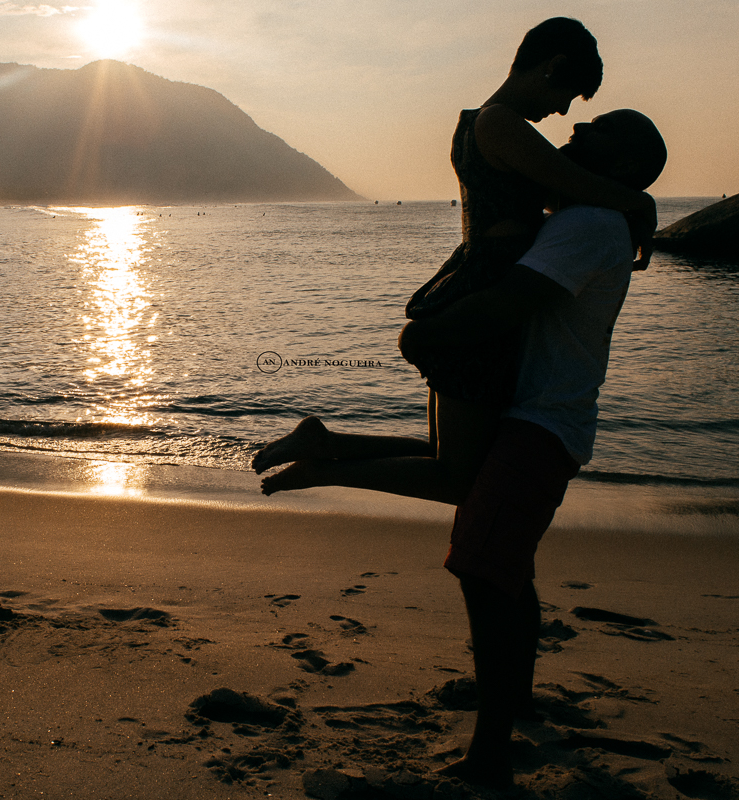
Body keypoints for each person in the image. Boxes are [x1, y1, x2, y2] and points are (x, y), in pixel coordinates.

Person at [256, 108, 668, 789]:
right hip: (529, 414)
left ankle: (488, 758)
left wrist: (425, 337)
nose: (576, 130)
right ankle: (519, 700)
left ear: (622, 164)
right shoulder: (591, 215)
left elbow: (510, 302)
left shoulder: (589, 224)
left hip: (542, 422)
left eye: (597, 129)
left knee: (485, 572)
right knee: (505, 560)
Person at [253, 18, 656, 504]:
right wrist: (642, 205)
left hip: (475, 282)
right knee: (461, 478)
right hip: (486, 297)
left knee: (455, 458)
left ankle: (326, 446)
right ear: (553, 68)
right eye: (567, 94)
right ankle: (324, 466)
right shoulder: (501, 123)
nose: (562, 111)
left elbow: (560, 190)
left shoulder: (484, 123)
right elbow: (575, 184)